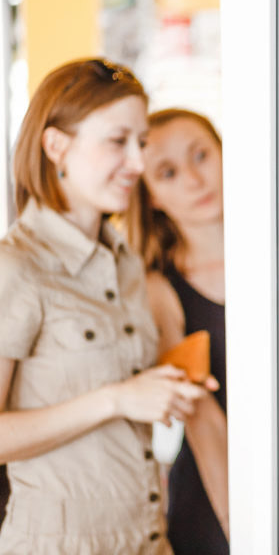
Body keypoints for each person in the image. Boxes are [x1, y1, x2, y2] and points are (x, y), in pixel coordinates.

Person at [0, 58, 213, 553]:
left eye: (140, 142)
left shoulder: (127, 264)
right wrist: (116, 399)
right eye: (118, 142)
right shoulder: (16, 269)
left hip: (149, 540)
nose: (138, 163)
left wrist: (167, 386)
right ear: (57, 146)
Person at [124, 108, 229, 553]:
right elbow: (203, 421)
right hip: (220, 498)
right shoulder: (159, 290)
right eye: (167, 173)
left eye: (201, 156)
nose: (193, 179)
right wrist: (250, 534)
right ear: (150, 197)